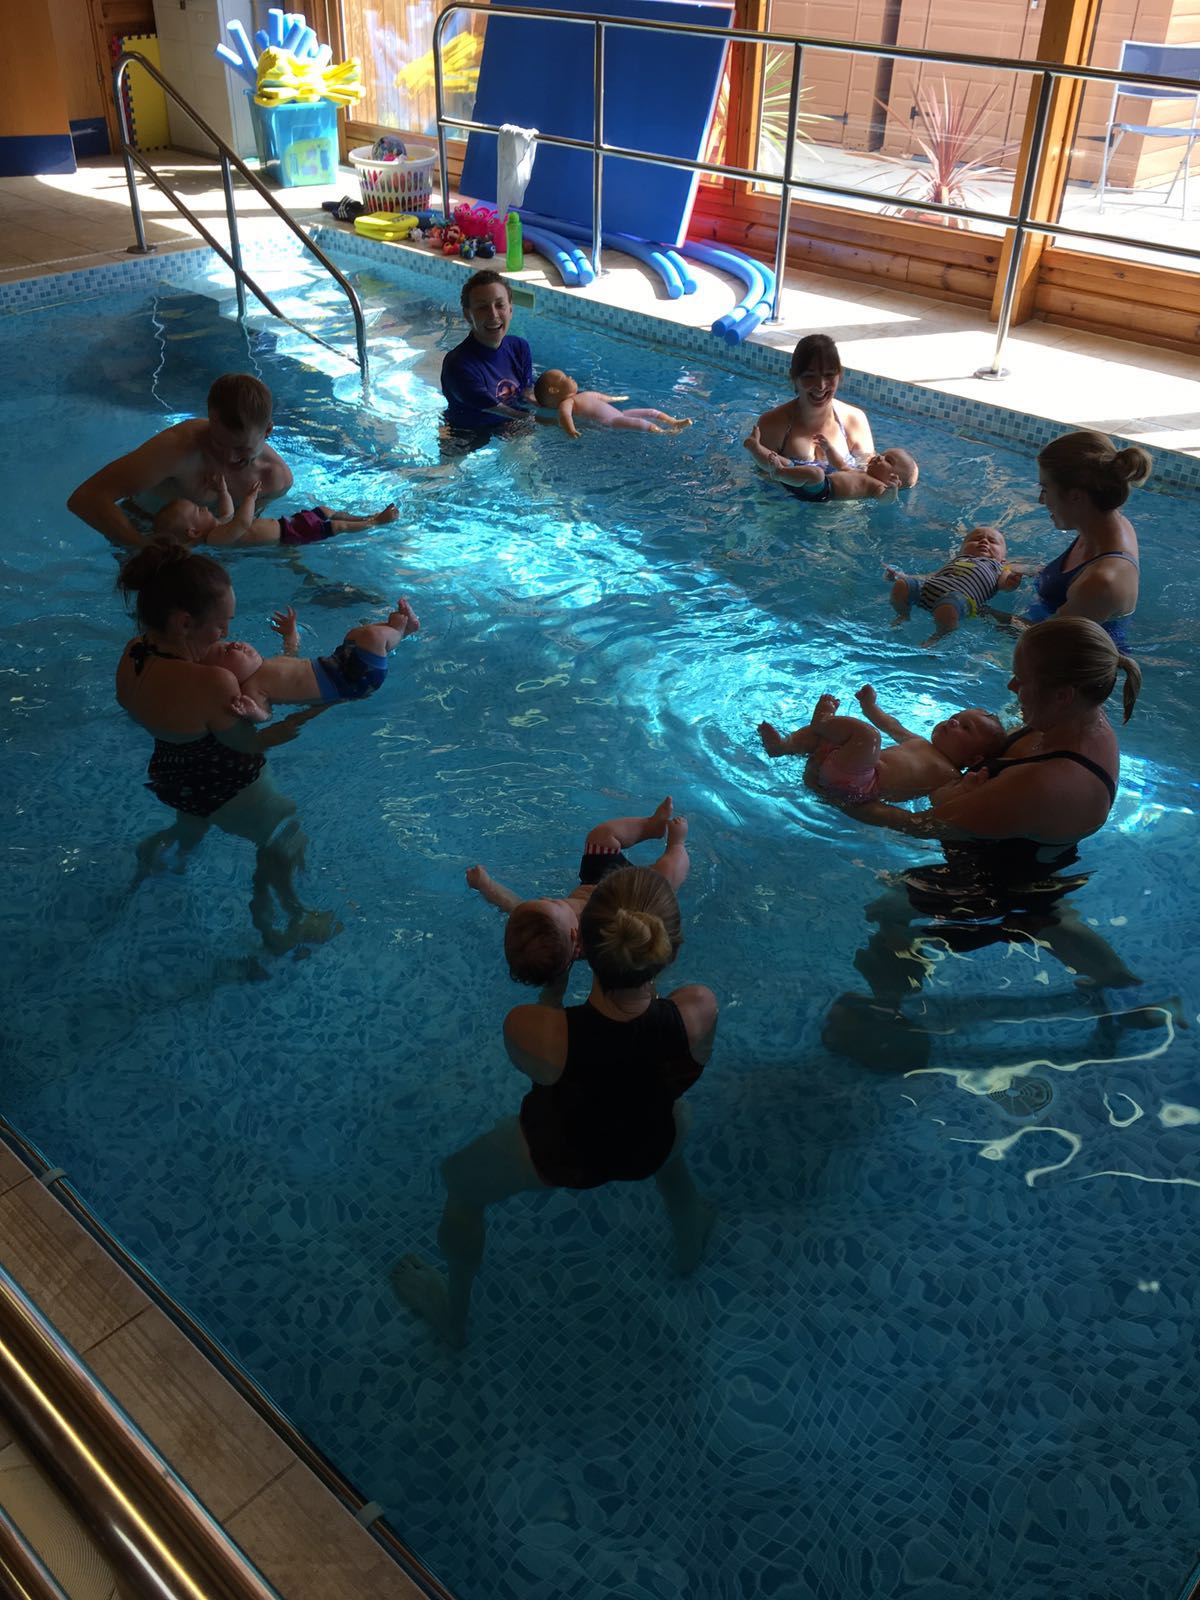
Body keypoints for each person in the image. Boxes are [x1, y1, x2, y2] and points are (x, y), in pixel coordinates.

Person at [391, 865, 718, 1346]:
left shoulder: (535, 1030)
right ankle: (690, 1221)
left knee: (459, 1182)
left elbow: (545, 1067)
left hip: (565, 1157)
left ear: (580, 944)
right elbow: (655, 1049)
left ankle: (452, 1316)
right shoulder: (699, 1007)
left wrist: (554, 990)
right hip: (655, 1140)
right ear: (669, 950)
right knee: (662, 1113)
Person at [822, 618, 1145, 1061]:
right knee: (1044, 914)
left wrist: (837, 795)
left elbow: (920, 825)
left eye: (1022, 680)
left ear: (1063, 694)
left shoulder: (1045, 783)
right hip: (1035, 860)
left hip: (991, 877)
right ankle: (1127, 994)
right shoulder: (1078, 717)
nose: (1012, 687)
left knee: (890, 910)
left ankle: (886, 1008)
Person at [115, 543, 347, 953]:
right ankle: (289, 921)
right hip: (226, 783)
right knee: (285, 838)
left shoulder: (133, 652)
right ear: (184, 622)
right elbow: (251, 745)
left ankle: (160, 846)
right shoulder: (212, 683)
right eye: (221, 626)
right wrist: (309, 713)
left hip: (173, 772)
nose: (225, 634)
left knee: (194, 821)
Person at [466, 796, 689, 999]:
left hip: (596, 878)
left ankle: (651, 826)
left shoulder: (551, 929)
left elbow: (511, 905)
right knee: (666, 878)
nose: (545, 896)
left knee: (600, 837)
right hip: (632, 897)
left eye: (542, 900)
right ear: (575, 936)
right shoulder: (605, 941)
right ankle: (676, 844)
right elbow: (637, 961)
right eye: (554, 902)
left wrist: (486, 885)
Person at [68, 373, 294, 551]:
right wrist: (143, 546)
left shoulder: (275, 480)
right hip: (143, 527)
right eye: (219, 443)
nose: (229, 458)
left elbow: (242, 530)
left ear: (268, 431)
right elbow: (87, 498)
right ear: (211, 420)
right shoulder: (177, 449)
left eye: (241, 448)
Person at [758, 687, 1005, 804]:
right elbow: (890, 725)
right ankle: (783, 746)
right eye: (956, 717)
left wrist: (966, 789)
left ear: (973, 760)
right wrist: (870, 706)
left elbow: (941, 801)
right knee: (827, 736)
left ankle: (823, 720)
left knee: (868, 736)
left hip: (863, 785)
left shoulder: (950, 776)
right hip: (846, 764)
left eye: (965, 728)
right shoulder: (918, 740)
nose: (952, 722)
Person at [1025, 430, 1150, 646]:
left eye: (1045, 489)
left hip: (1070, 663)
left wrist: (976, 609)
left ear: (1075, 496)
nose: (1041, 500)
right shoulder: (1104, 526)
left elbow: (1040, 639)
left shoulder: (1102, 582)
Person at [205, 598, 420, 722]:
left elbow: (292, 652)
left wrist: (290, 633)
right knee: (372, 637)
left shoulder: (268, 663)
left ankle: (398, 632)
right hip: (349, 683)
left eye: (228, 643)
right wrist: (253, 712)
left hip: (336, 663)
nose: (234, 644)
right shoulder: (252, 688)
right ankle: (401, 630)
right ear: (227, 675)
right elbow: (266, 715)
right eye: (225, 652)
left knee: (355, 634)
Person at [743, 333, 875, 486]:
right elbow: (764, 483)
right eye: (809, 376)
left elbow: (869, 477)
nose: (821, 386)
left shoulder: (854, 420)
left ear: (839, 375)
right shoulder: (772, 424)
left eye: (829, 375)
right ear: (794, 377)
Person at [154, 480, 399, 549]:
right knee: (336, 527)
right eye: (199, 510)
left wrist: (222, 490)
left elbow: (228, 511)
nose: (205, 508)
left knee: (326, 511)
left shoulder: (219, 525)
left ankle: (365, 517)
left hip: (289, 523)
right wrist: (250, 498)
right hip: (289, 534)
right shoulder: (215, 538)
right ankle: (375, 522)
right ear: (194, 531)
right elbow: (242, 522)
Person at [887, 525, 1029, 640]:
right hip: (931, 587)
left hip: (961, 598)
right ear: (960, 551)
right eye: (976, 539)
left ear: (1003, 559)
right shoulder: (957, 561)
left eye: (992, 541)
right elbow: (930, 576)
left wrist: (1011, 582)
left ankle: (940, 635)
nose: (984, 542)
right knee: (902, 586)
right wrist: (901, 576)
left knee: (947, 610)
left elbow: (1004, 584)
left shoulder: (1000, 567)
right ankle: (903, 614)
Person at [440, 270, 536, 433]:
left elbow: (528, 394)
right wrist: (544, 420)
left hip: (510, 425)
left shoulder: (519, 347)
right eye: (482, 307)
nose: (493, 315)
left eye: (500, 305)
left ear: (510, 309)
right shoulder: (457, 365)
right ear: (468, 315)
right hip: (467, 434)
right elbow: (497, 409)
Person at [746, 436, 916, 504]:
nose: (880, 457)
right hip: (813, 483)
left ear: (895, 480)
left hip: (823, 492)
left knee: (816, 473)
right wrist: (828, 448)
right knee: (787, 462)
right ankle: (755, 448)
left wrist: (891, 491)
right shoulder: (859, 472)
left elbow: (884, 500)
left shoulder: (877, 487)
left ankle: (778, 473)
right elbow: (840, 463)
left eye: (888, 460)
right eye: (883, 454)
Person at [533, 369, 692, 438]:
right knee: (640, 423)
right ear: (554, 390)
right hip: (611, 421)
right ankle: (664, 432)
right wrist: (571, 430)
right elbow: (565, 415)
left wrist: (618, 399)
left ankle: (673, 421)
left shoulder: (582, 395)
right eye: (564, 377)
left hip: (621, 414)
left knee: (650, 411)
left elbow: (602, 397)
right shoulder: (567, 403)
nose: (570, 377)